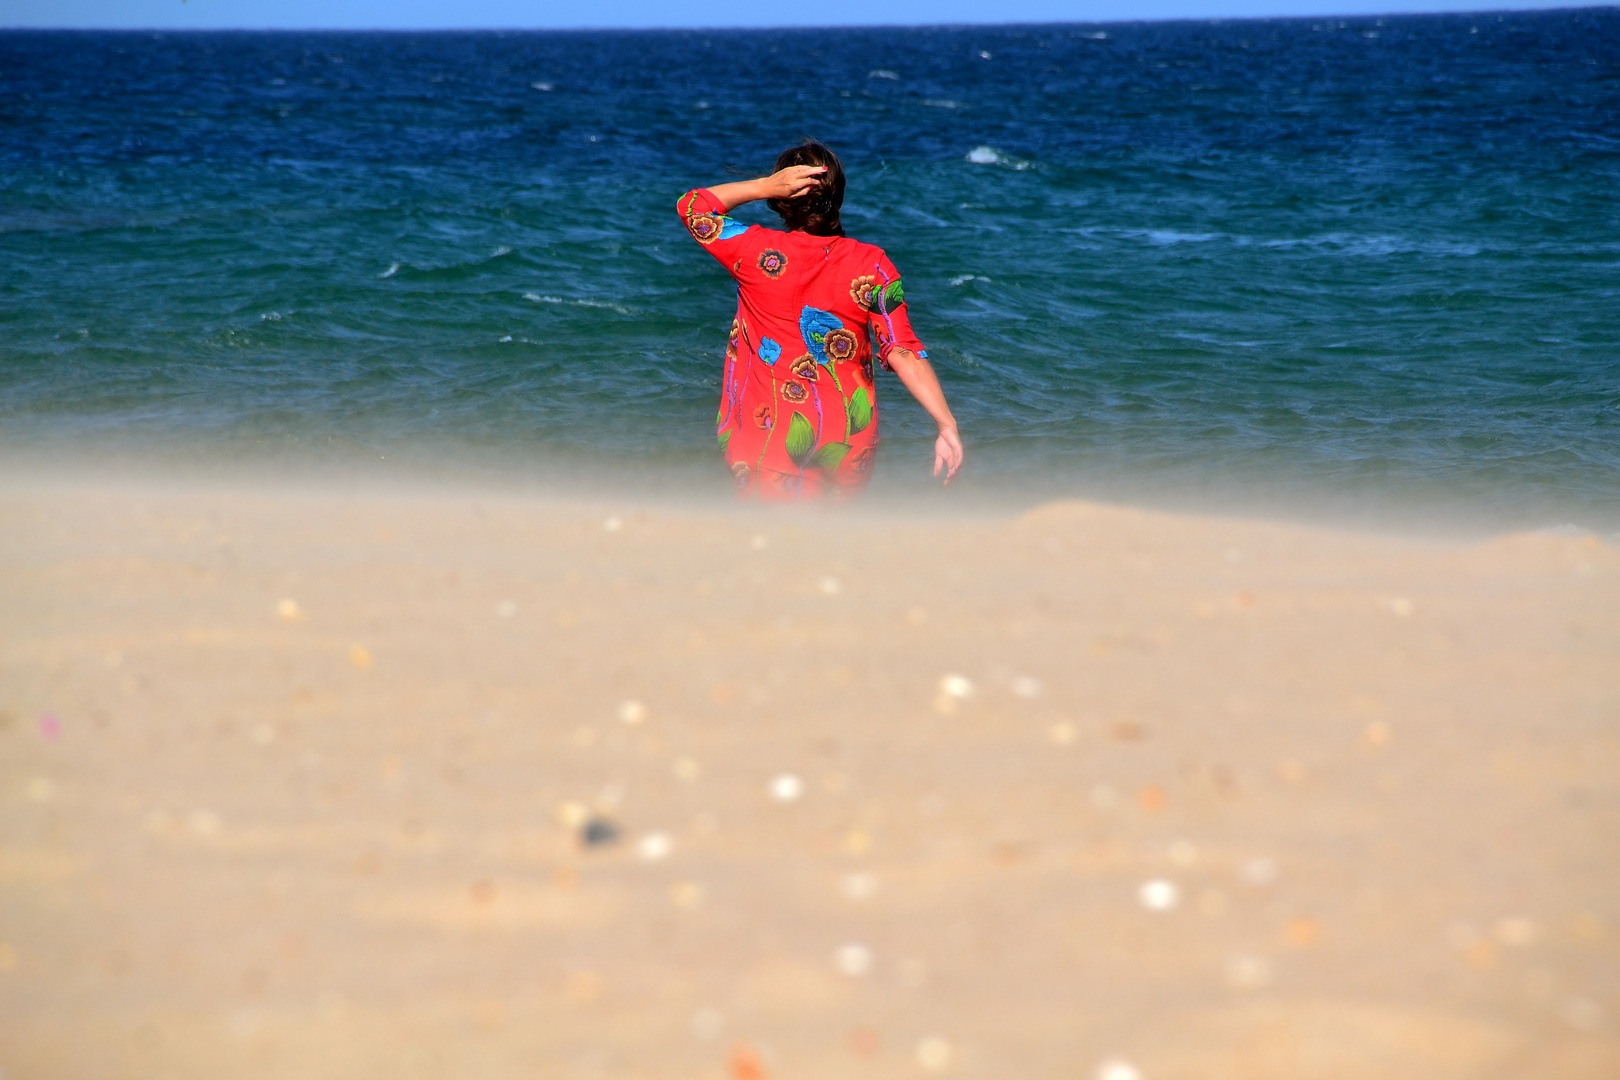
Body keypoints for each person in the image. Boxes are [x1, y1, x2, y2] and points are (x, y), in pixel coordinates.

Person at [677, 142, 963, 500]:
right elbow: (902, 351)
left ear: (782, 199)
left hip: (770, 430)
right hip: (847, 437)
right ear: (839, 196)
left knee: (772, 541)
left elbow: (693, 206)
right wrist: (945, 425)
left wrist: (763, 185)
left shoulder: (753, 251)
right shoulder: (873, 265)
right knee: (829, 545)